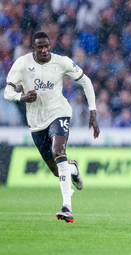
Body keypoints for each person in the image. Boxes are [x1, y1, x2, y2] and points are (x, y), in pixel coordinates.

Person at [4, 32, 100, 223]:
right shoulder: (22, 63)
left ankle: (67, 207)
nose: (44, 50)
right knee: (57, 170)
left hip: (59, 112)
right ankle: (73, 169)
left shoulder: (61, 62)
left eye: (47, 46)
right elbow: (7, 91)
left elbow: (86, 81)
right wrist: (21, 97)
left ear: (50, 45)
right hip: (36, 121)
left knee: (58, 150)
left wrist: (93, 111)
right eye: (40, 47)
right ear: (33, 48)